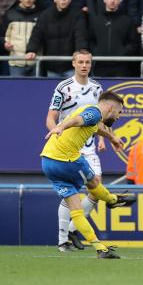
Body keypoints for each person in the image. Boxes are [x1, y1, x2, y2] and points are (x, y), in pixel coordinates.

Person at [41, 91, 137, 259]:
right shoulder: (95, 112)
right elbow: (78, 120)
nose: (119, 117)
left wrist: (111, 137)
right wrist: (61, 126)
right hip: (67, 159)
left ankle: (100, 248)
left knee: (76, 210)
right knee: (93, 184)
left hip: (48, 162)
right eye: (119, 112)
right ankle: (113, 200)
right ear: (110, 108)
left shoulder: (91, 113)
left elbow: (94, 126)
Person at [45, 50, 104, 252]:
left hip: (89, 146)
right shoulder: (63, 87)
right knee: (71, 194)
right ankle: (63, 240)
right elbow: (51, 116)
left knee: (96, 190)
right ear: (73, 63)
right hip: (68, 147)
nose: (84, 65)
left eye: (88, 62)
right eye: (80, 62)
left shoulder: (97, 88)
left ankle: (72, 230)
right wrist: (55, 130)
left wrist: (107, 137)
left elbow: (99, 117)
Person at [25, 0, 88, 77]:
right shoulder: (45, 15)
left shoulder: (77, 14)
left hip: (71, 66)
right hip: (52, 66)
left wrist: (81, 51)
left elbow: (80, 35)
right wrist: (31, 50)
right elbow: (37, 34)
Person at [89, 0, 138, 77]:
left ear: (120, 0)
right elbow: (90, 40)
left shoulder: (127, 21)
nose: (112, 1)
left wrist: (122, 53)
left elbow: (133, 43)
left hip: (121, 67)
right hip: (100, 66)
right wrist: (97, 52)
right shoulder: (96, 20)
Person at [2, 0, 41, 77]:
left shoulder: (41, 15)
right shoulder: (9, 14)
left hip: (36, 63)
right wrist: (4, 44)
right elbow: (2, 35)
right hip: (16, 63)